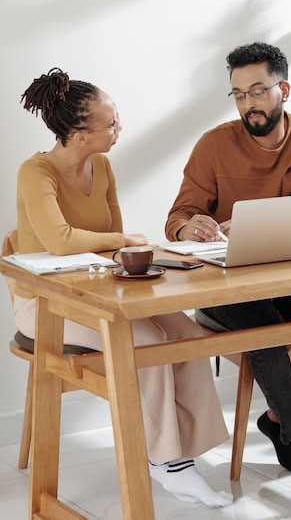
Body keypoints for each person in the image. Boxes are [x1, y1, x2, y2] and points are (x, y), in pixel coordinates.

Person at [14, 68, 232, 507]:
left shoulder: (104, 165)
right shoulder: (35, 172)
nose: (119, 129)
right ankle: (168, 464)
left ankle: (187, 452)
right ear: (77, 134)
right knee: (147, 340)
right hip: (47, 303)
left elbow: (111, 240)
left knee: (188, 334)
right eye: (110, 124)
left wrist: (127, 247)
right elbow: (61, 241)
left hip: (103, 290)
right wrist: (122, 242)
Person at [165, 42, 291, 475]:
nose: (248, 105)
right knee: (267, 329)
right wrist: (191, 226)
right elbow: (177, 218)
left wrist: (258, 222)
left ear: (284, 89)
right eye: (238, 95)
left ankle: (279, 420)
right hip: (226, 284)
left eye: (257, 91)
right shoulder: (214, 144)